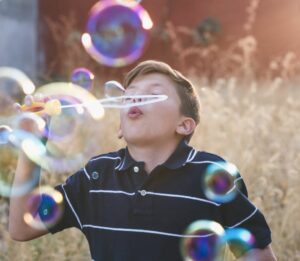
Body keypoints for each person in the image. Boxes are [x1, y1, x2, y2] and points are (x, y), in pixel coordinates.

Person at [8, 60, 277, 260]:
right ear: (120, 129)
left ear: (184, 125)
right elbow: (22, 225)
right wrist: (32, 143)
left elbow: (255, 250)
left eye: (151, 93)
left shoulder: (213, 172)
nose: (134, 97)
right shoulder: (97, 176)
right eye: (130, 93)